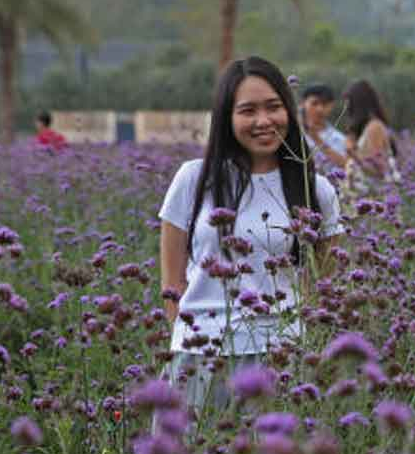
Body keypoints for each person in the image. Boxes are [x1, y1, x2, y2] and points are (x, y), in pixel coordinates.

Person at [157, 56, 343, 415]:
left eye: (273, 107)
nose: (263, 121)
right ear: (227, 119)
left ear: (289, 111)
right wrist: (189, 340)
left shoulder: (316, 191)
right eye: (247, 111)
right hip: (200, 358)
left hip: (281, 359)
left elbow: (324, 290)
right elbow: (171, 285)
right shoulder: (194, 180)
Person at [340, 80, 401, 204]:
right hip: (365, 199)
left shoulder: (375, 128)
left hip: (375, 202)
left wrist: (353, 153)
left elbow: (379, 170)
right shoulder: (365, 129)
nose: (347, 110)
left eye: (349, 105)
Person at [300, 83, 349, 172]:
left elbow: (347, 166)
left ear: (332, 105)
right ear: (303, 104)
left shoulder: (339, 138)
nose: (320, 109)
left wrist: (317, 139)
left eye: (324, 104)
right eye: (314, 103)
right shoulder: (291, 133)